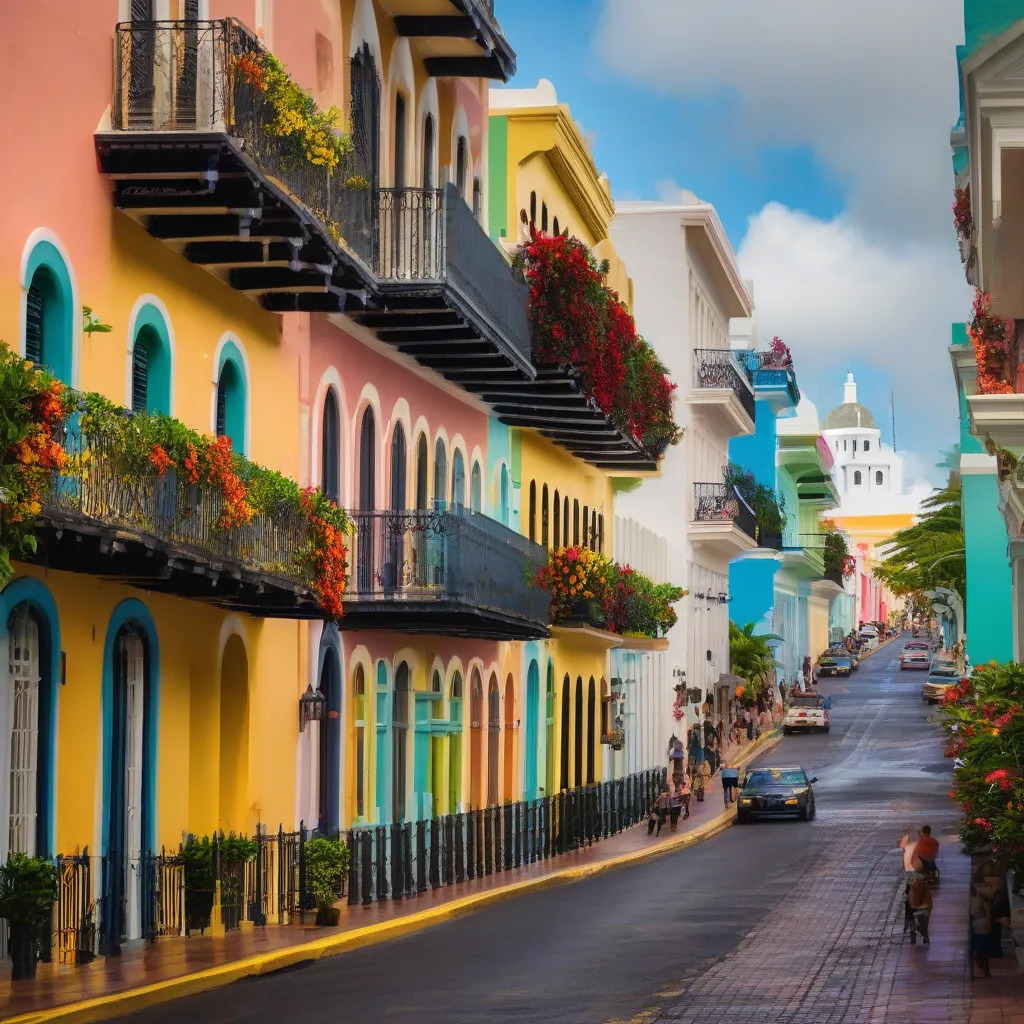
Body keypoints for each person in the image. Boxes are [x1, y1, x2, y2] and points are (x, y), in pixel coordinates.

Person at [970, 883, 993, 977]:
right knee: (981, 952)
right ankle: (984, 969)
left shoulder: (983, 917)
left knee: (982, 952)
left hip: (981, 936)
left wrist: (987, 913)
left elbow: (988, 930)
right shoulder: (976, 913)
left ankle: (984, 969)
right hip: (978, 935)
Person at [907, 876, 932, 944]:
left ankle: (923, 936)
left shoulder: (922, 888)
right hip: (916, 908)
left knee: (923, 920)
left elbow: (927, 903)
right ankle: (920, 936)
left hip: (921, 908)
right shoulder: (912, 887)